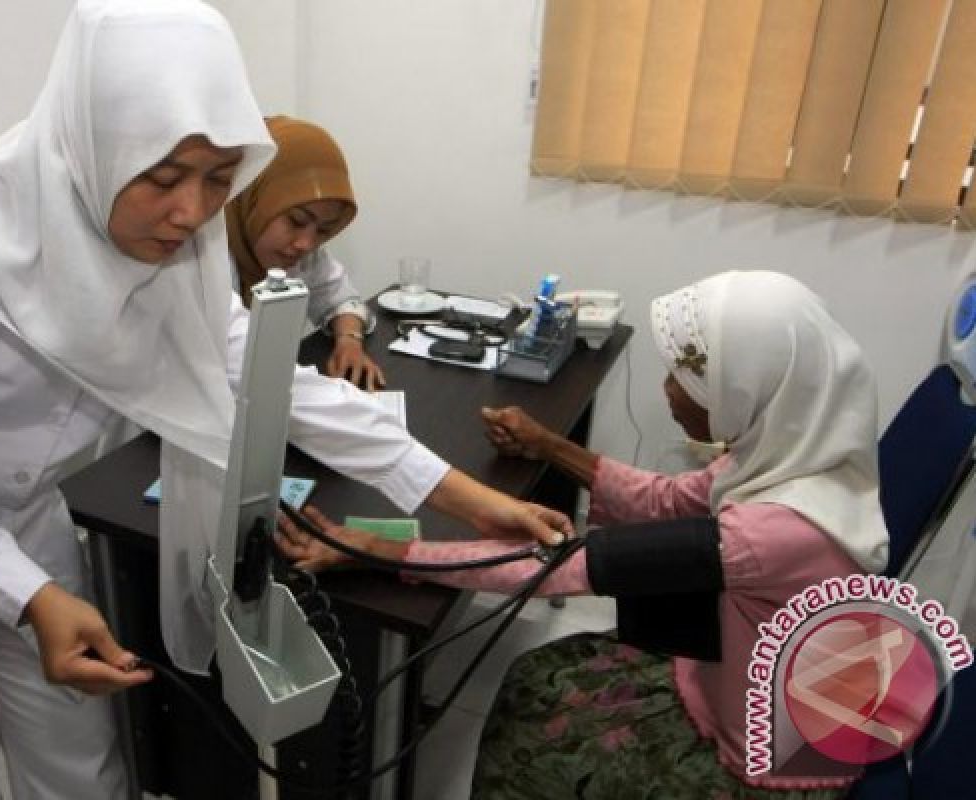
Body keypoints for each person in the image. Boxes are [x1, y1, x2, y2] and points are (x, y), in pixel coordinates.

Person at [0, 2, 570, 798]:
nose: (192, 212)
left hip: (19, 520)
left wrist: (461, 497)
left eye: (220, 180)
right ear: (95, 141)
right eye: (162, 177)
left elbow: (266, 379)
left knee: (80, 755)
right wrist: (29, 595)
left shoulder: (181, 246)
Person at [278, 270, 890, 798]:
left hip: (764, 769)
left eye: (688, 379)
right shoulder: (794, 455)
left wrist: (371, 549)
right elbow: (670, 500)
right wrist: (550, 447)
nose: (668, 391)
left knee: (530, 726)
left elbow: (556, 568)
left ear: (747, 387)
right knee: (532, 676)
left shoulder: (773, 530)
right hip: (741, 686)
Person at [226, 115, 386, 390]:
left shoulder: (299, 254)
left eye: (324, 230)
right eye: (296, 221)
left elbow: (341, 299)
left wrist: (349, 340)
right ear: (254, 195)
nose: (306, 244)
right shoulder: (199, 255)